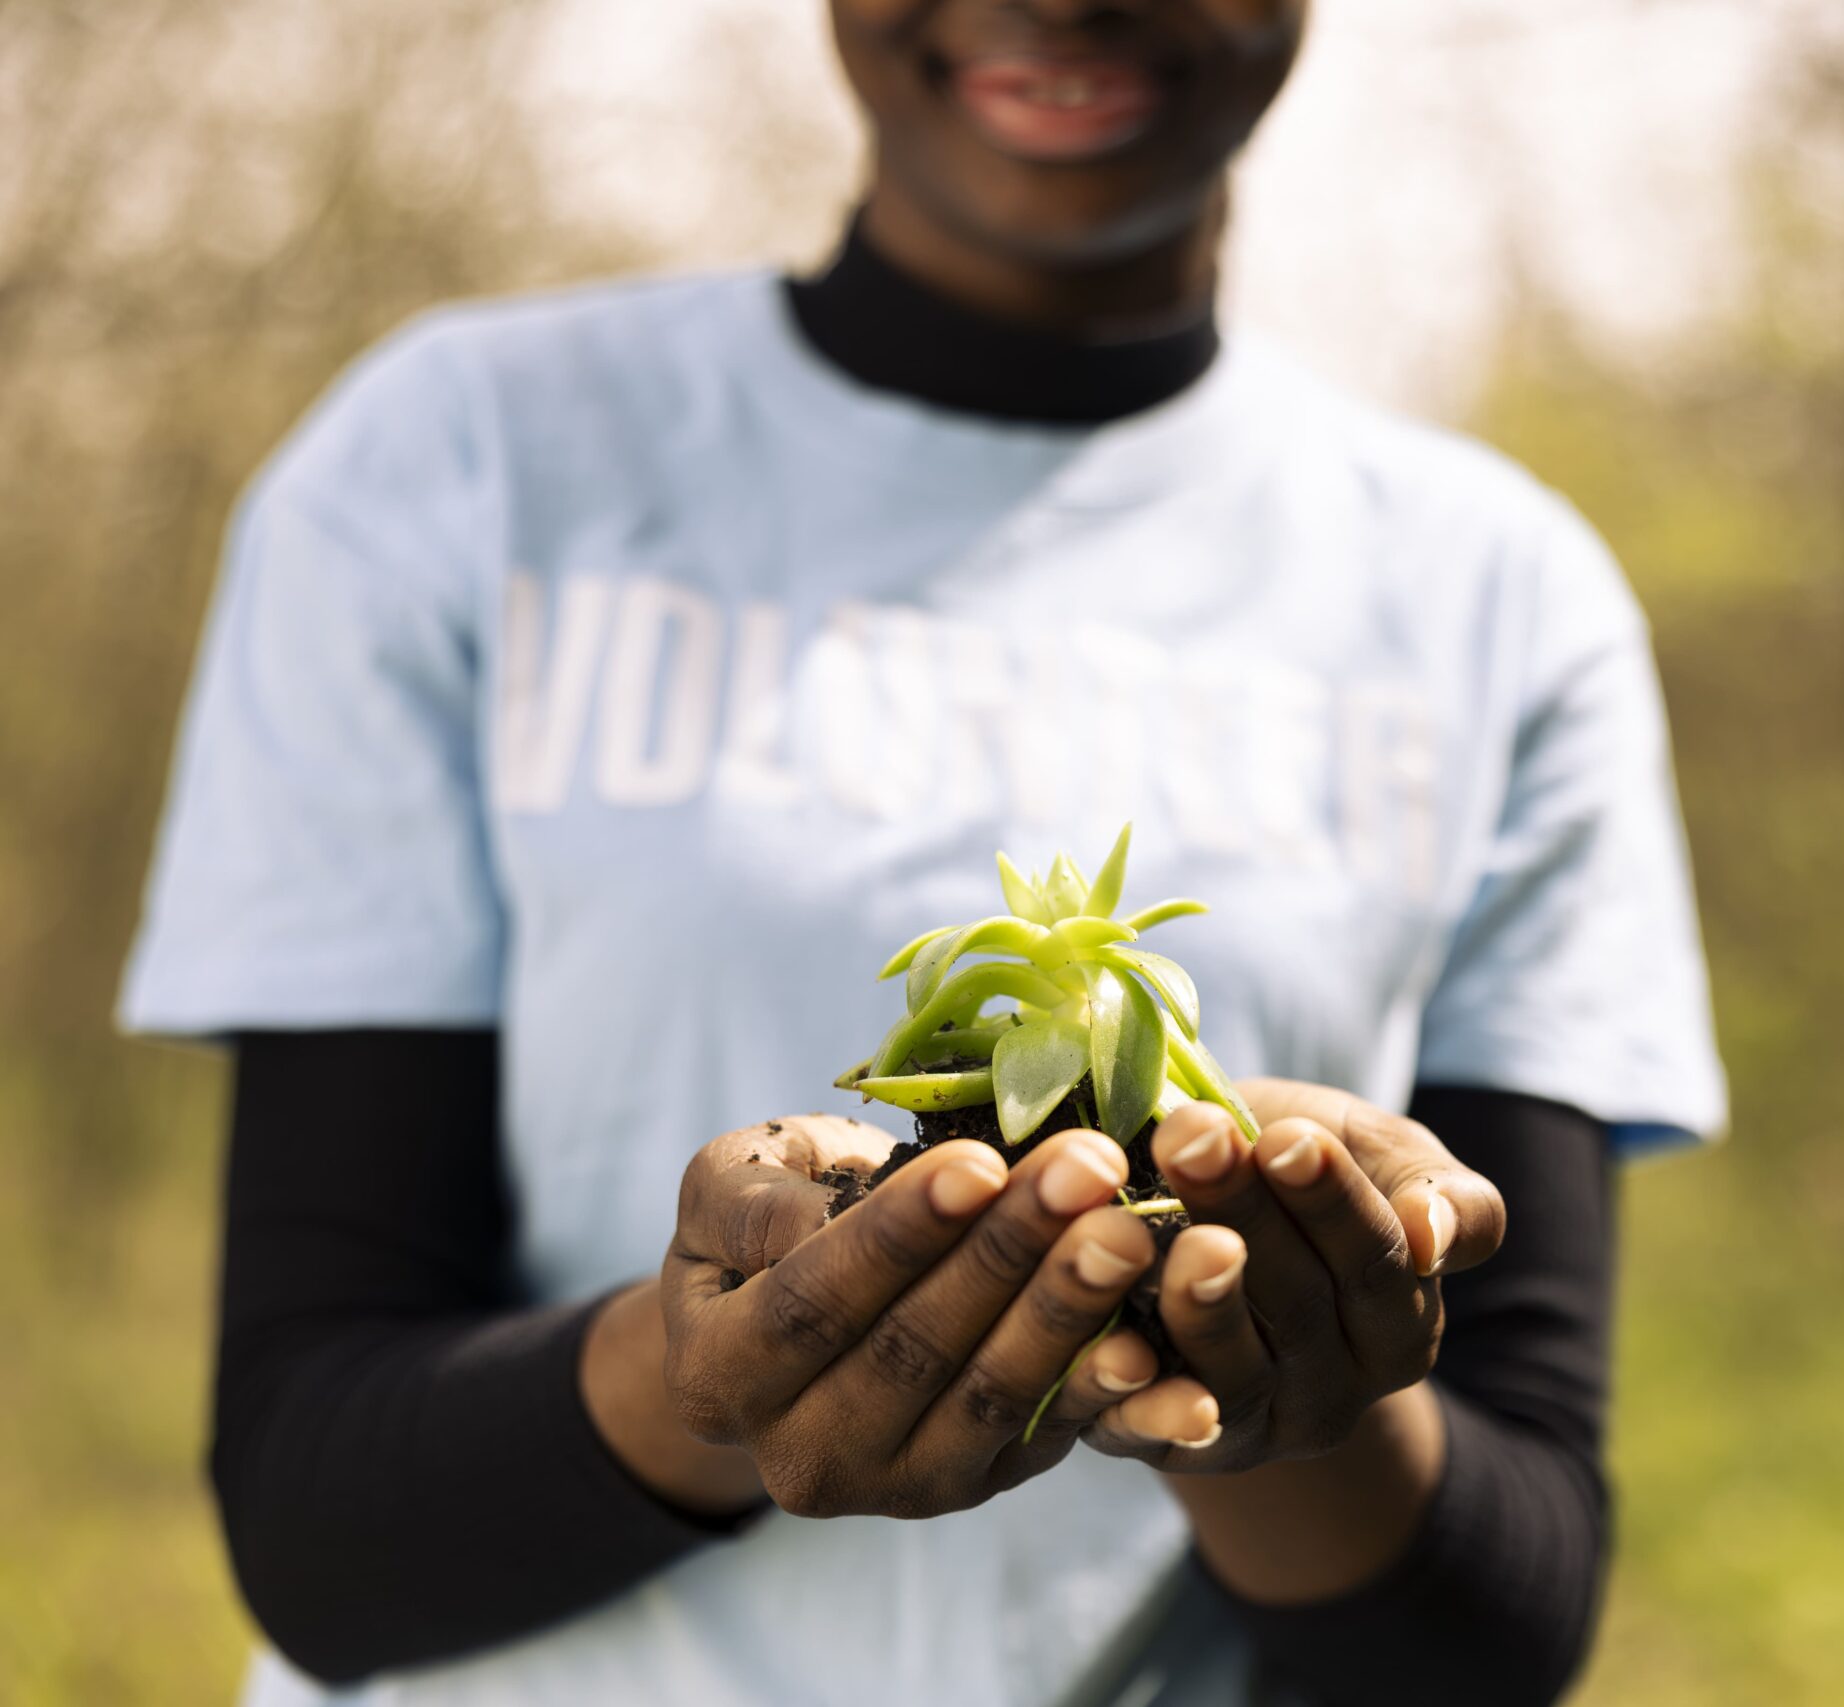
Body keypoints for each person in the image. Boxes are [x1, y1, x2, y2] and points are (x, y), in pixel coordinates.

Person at [119, 4, 1723, 1704]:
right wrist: (703, 1379)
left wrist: (1262, 1367)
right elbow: (314, 1524)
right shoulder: (456, 463)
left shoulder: (1498, 598)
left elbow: (1495, 1632)